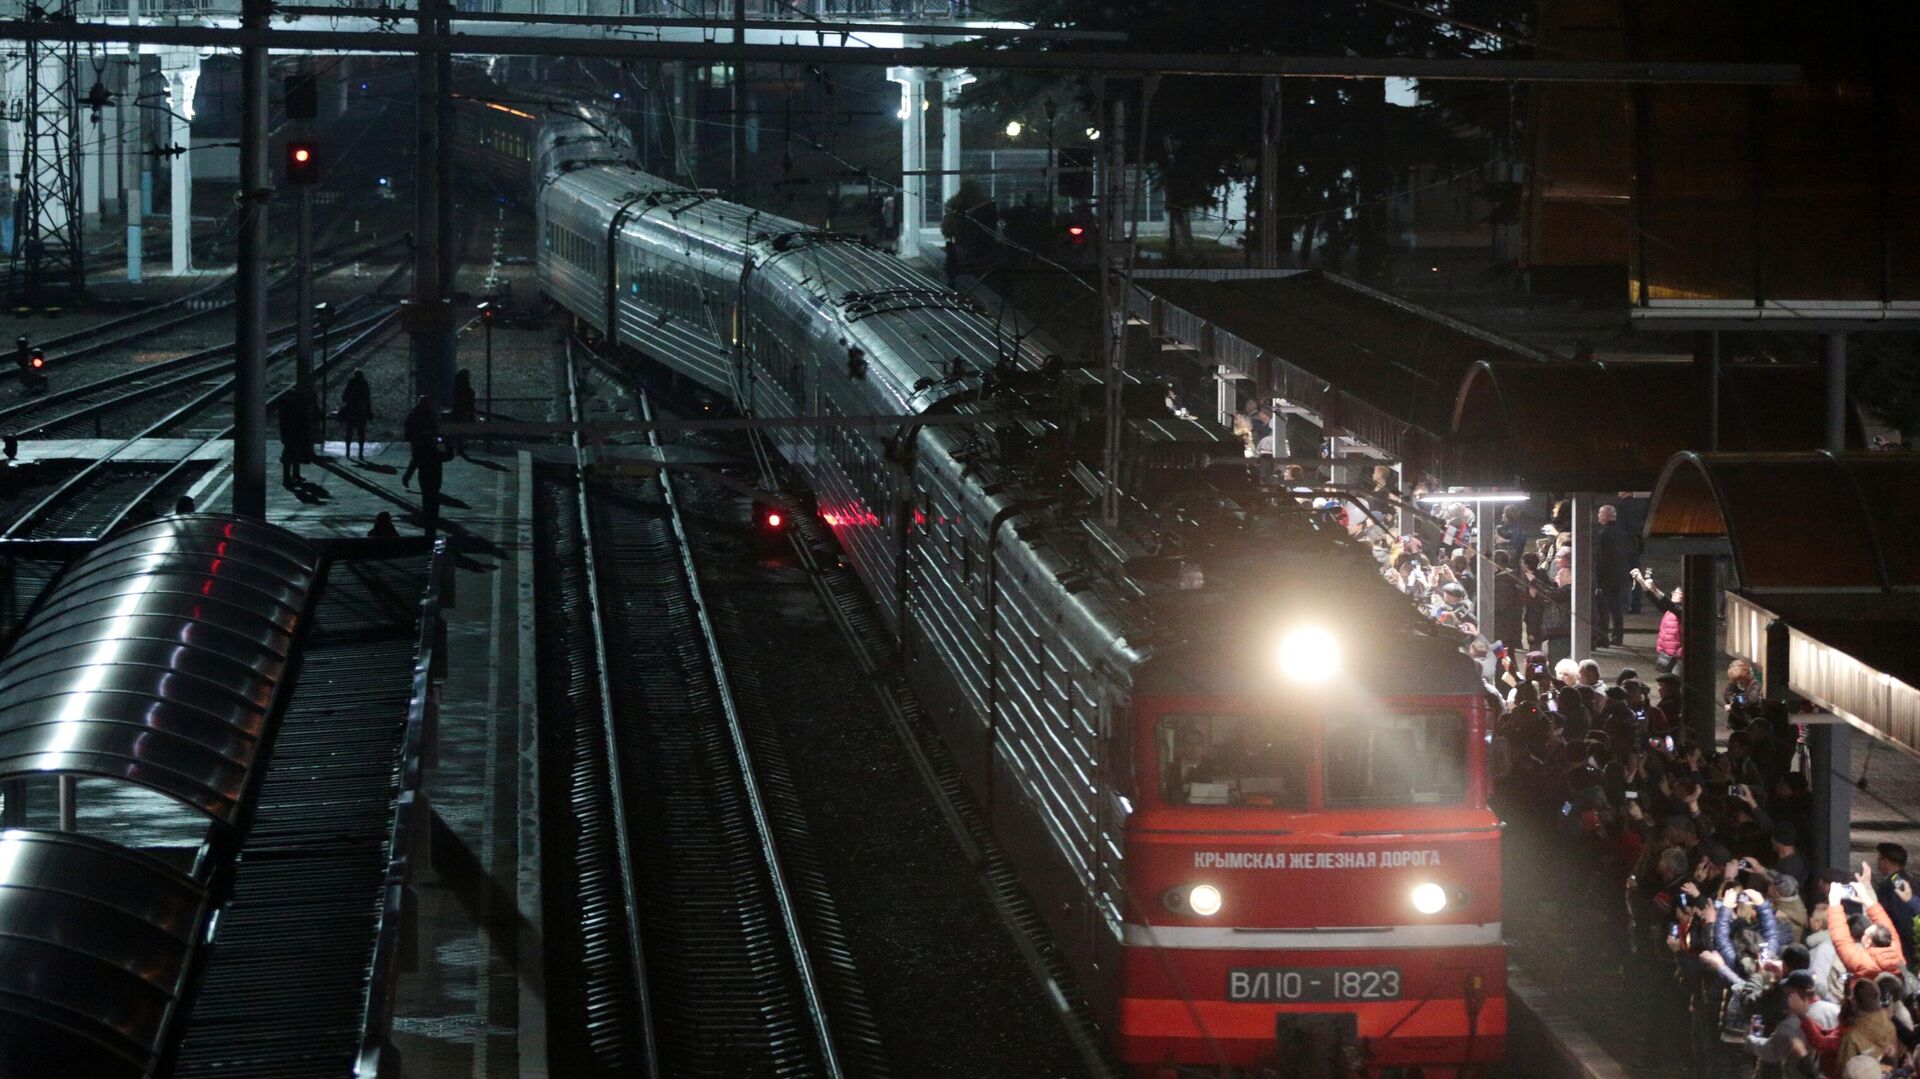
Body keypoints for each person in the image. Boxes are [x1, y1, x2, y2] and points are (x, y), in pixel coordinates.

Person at [1746, 969, 1837, 1078]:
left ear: (1793, 994)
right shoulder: (1836, 1010)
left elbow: (1771, 1051)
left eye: (1787, 992)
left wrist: (1751, 1038)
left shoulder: (1790, 1025)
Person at [1828, 866, 1906, 980]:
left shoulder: (1863, 963)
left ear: (1868, 941)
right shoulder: (1897, 953)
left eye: (1866, 933)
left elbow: (1841, 939)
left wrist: (1834, 902)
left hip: (1864, 997)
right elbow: (1885, 923)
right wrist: (1866, 899)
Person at [1635, 568, 1685, 674]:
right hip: (1666, 655)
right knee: (1664, 682)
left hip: (1678, 657)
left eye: (1677, 593)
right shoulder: (1669, 611)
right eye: (1674, 592)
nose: (1674, 594)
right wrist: (1641, 582)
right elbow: (1655, 601)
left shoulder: (1682, 612)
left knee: (1675, 683)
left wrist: (1654, 588)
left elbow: (1667, 602)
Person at [1595, 503, 1630, 647]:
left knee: (1603, 608)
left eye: (1600, 513)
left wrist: (1598, 577)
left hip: (1606, 577)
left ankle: (1602, 637)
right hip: (1620, 575)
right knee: (1616, 608)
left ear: (1605, 516)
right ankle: (1617, 636)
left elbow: (1602, 557)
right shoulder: (1623, 533)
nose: (1598, 516)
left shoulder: (1603, 533)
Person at [279, 381, 315, 485]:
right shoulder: (292, 409)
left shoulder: (287, 409)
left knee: (292, 456)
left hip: (291, 436)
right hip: (292, 436)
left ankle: (292, 476)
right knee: (290, 456)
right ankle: (289, 477)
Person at [401, 396, 438, 490]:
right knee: (418, 461)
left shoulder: (418, 413)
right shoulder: (418, 414)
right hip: (419, 440)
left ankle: (408, 478)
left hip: (422, 440)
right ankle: (409, 479)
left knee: (418, 462)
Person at [340, 369, 373, 463]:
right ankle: (360, 453)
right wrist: (368, 410)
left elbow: (344, 396)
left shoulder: (351, 383)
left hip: (351, 411)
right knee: (361, 433)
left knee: (349, 432)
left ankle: (348, 452)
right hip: (361, 412)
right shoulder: (364, 383)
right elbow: (368, 399)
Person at [450, 368, 477, 458]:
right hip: (464, 412)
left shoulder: (456, 389)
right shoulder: (468, 390)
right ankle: (461, 446)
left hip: (457, 411)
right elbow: (470, 403)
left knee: (458, 430)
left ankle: (459, 446)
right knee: (463, 430)